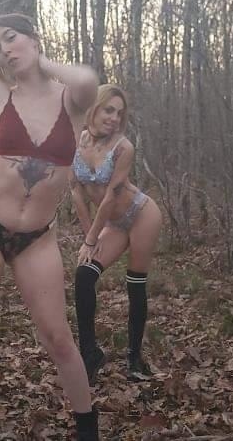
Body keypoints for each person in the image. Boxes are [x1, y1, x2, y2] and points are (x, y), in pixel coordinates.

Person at [0, 10, 100, 440]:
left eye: (12, 39)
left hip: (36, 237)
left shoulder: (71, 101)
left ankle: (88, 429)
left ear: (34, 39)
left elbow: (88, 79)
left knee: (58, 337)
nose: (3, 51)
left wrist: (37, 58)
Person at [69, 84, 162, 386]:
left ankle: (134, 357)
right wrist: (90, 238)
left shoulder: (123, 147)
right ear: (94, 108)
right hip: (113, 224)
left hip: (141, 214)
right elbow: (76, 191)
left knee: (135, 283)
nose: (114, 118)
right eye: (109, 110)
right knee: (84, 275)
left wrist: (91, 240)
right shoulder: (75, 141)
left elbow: (110, 197)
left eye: (119, 113)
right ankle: (89, 353)